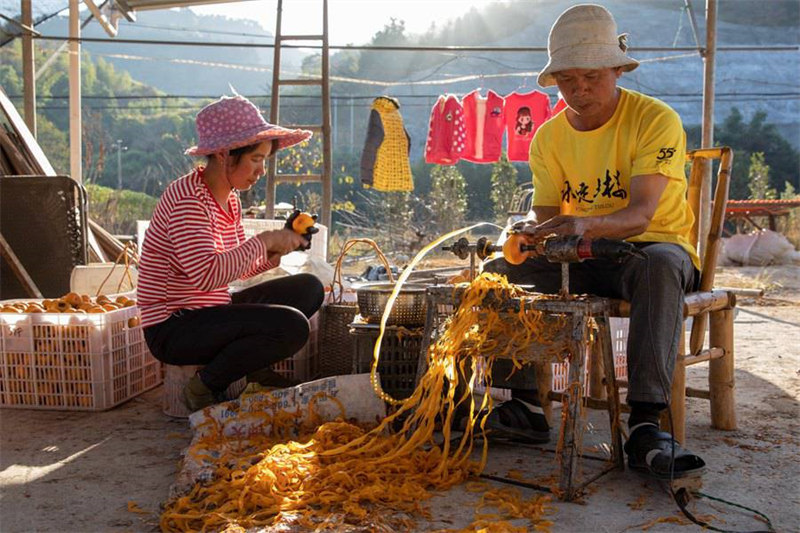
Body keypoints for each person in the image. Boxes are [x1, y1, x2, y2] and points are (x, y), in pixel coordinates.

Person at [481, 4, 705, 479]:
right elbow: (548, 220)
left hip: (649, 248)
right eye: (567, 80)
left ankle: (646, 423)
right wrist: (530, 236)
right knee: (498, 274)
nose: (579, 90)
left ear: (618, 69)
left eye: (592, 77)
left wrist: (579, 224)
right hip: (582, 253)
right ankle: (526, 406)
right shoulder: (547, 138)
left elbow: (642, 214)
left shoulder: (655, 120)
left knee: (659, 266)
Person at [137, 95, 324, 412]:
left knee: (308, 288)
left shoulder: (230, 200)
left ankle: (254, 374)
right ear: (224, 155)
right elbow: (207, 275)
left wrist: (274, 252)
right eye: (255, 159)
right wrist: (264, 240)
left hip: (209, 310)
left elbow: (235, 269)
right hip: (174, 327)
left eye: (264, 160)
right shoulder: (188, 199)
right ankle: (205, 387)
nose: (261, 171)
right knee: (291, 327)